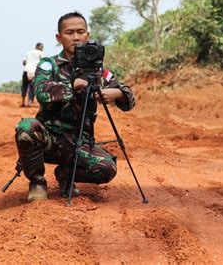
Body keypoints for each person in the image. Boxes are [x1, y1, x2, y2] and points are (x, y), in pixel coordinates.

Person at [14, 11, 135, 202]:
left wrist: (117, 94)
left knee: (106, 169)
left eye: (81, 32)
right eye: (70, 32)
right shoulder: (49, 65)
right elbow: (42, 93)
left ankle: (66, 175)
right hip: (50, 138)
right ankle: (37, 183)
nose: (76, 37)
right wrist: (73, 86)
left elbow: (128, 98)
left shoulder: (97, 70)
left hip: (80, 142)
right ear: (59, 38)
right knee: (26, 129)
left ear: (87, 35)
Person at [21, 42, 44, 107]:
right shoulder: (40, 53)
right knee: (32, 87)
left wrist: (28, 64)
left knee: (24, 86)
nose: (42, 49)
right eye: (42, 47)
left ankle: (23, 101)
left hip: (26, 70)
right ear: (39, 47)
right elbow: (43, 61)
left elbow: (23, 62)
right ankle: (30, 102)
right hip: (34, 71)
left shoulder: (28, 52)